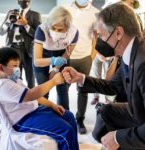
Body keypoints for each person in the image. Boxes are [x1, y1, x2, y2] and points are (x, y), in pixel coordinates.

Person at [62, 2, 145, 150]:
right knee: (106, 111)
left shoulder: (142, 62)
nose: (98, 41)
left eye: (100, 35)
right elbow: (113, 86)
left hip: (141, 119)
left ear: (118, 33)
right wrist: (81, 78)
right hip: (138, 111)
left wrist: (118, 138)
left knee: (115, 136)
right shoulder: (129, 52)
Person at [0, 47, 79, 150]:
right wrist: (53, 82)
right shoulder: (2, 85)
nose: (18, 69)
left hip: (34, 111)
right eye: (15, 66)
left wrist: (53, 105)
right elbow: (30, 95)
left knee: (69, 116)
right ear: (1, 68)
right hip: (22, 120)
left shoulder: (13, 80)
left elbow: (34, 97)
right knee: (66, 131)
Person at [33, 6, 79, 110]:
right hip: (44, 54)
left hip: (62, 54)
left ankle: (64, 116)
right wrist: (53, 60)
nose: (56, 31)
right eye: (53, 28)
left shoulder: (73, 32)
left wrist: (56, 69)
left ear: (68, 27)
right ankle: (42, 117)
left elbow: (67, 53)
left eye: (60, 29)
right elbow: (37, 61)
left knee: (62, 89)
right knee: (43, 89)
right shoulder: (41, 29)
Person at [64, 0, 99, 134]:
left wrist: (92, 55)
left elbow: (96, 36)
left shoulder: (95, 13)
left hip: (85, 57)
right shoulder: (67, 9)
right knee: (63, 89)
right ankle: (65, 118)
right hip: (68, 57)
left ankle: (80, 120)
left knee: (83, 90)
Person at [0, 0, 41, 88]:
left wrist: (26, 24)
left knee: (30, 77)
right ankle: (17, 99)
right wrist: (8, 21)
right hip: (12, 48)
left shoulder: (35, 15)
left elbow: (39, 34)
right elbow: (1, 32)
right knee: (15, 77)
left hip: (28, 50)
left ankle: (31, 99)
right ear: (18, 1)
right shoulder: (11, 13)